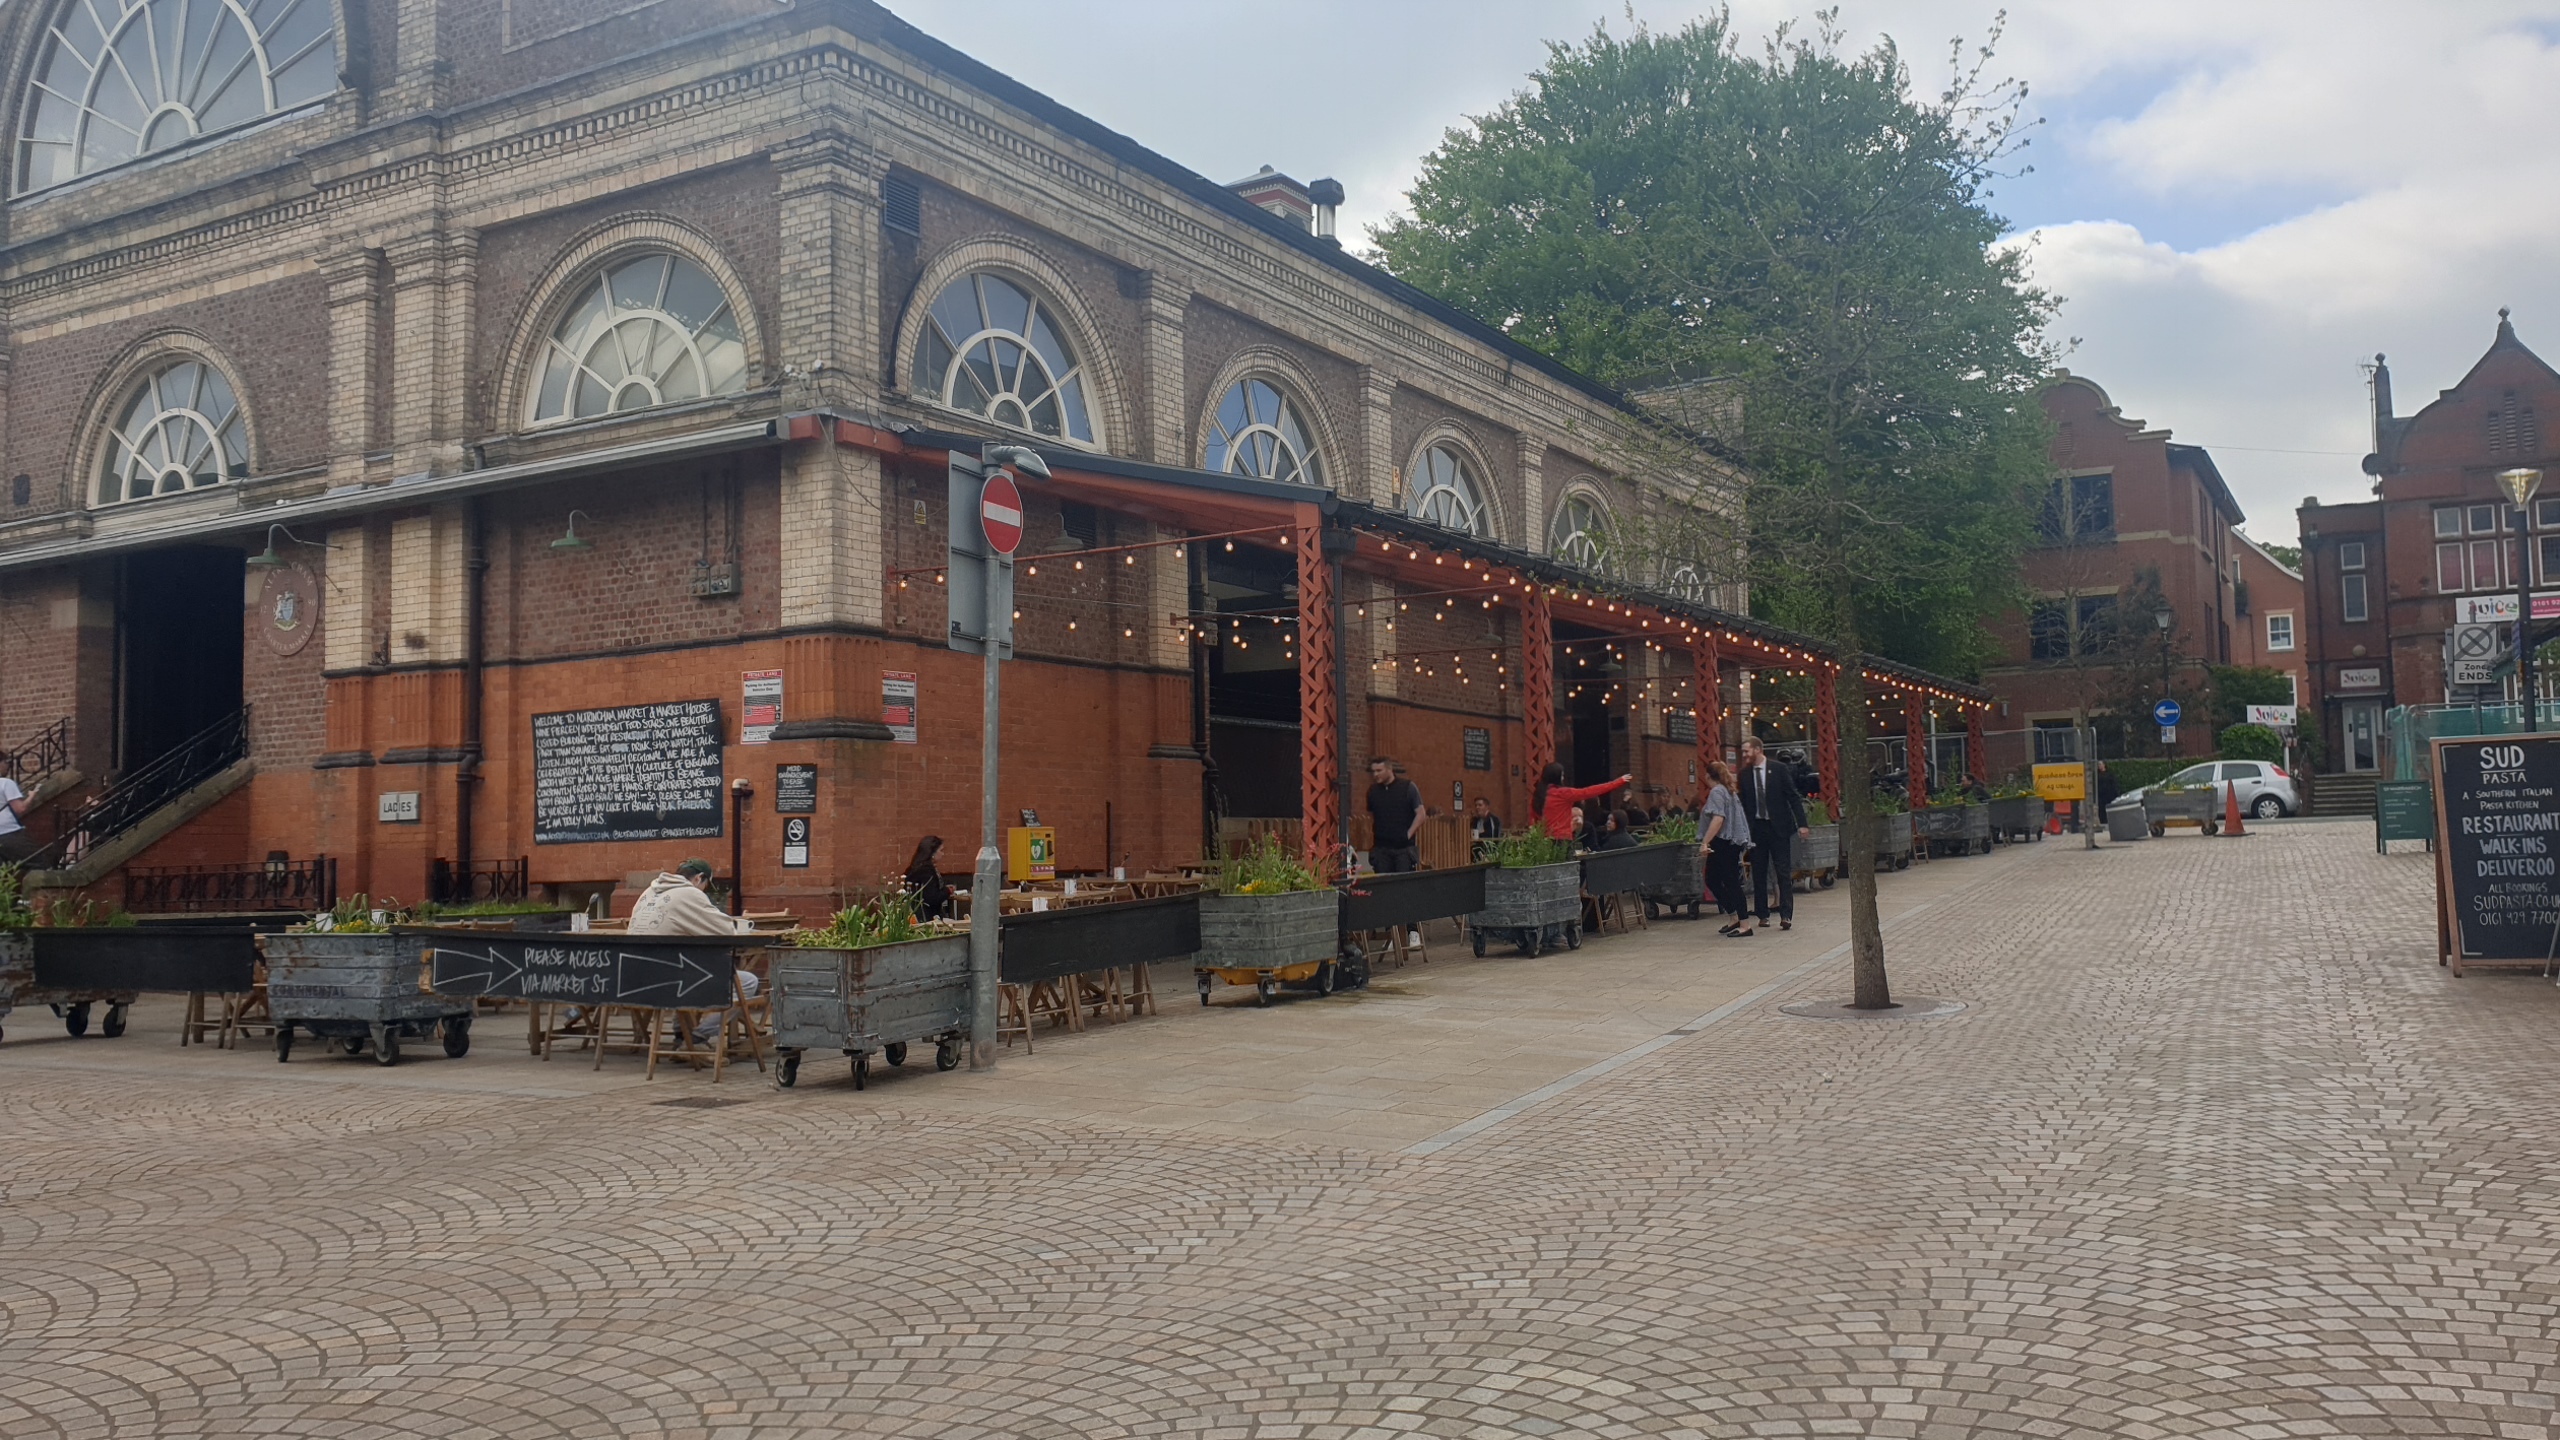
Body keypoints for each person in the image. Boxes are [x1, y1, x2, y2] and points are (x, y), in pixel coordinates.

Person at [628, 859, 752, 1046]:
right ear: (699, 878)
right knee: (748, 982)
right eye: (705, 886)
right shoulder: (689, 893)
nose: (704, 891)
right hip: (669, 982)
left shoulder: (648, 892)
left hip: (634, 980)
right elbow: (726, 930)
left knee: (685, 969)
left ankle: (681, 1034)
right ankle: (697, 1037)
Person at [1735, 737, 1809, 934]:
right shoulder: (1744, 775)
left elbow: (1793, 796)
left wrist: (1802, 824)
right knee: (1759, 871)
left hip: (1778, 827)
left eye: (1747, 751)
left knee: (1783, 871)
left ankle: (1786, 915)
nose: (1744, 755)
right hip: (1757, 828)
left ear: (1758, 749)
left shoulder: (1778, 769)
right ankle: (1763, 914)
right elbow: (1743, 804)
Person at [1699, 761, 1751, 933]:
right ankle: (1734, 916)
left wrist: (1705, 841)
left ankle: (1745, 924)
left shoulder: (1717, 792)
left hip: (1723, 842)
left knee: (1730, 881)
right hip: (1730, 842)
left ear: (1708, 776)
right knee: (1713, 879)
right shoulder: (1728, 791)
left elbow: (1718, 818)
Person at [1532, 762, 1630, 842]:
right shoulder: (1563, 793)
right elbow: (1589, 791)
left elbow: (1533, 820)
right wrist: (1617, 782)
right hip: (1561, 839)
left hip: (1543, 840)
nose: (1563, 778)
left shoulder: (1538, 796)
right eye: (1562, 775)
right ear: (1557, 777)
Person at [1365, 757, 1426, 874]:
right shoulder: (1373, 792)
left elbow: (1421, 814)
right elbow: (1370, 816)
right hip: (1381, 848)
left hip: (1403, 849)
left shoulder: (1407, 787)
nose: (1375, 774)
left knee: (1403, 882)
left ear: (1389, 769)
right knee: (1383, 882)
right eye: (1373, 771)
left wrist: (1408, 834)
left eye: (1379, 770)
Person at [903, 835, 951, 919]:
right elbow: (932, 897)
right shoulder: (926, 871)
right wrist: (947, 891)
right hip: (925, 916)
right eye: (941, 850)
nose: (943, 854)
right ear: (932, 853)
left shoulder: (915, 867)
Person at [0, 758, 35, 866]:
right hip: (8, 832)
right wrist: (31, 796)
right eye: (6, 762)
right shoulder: (6, 783)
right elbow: (20, 808)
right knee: (36, 862)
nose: (7, 765)